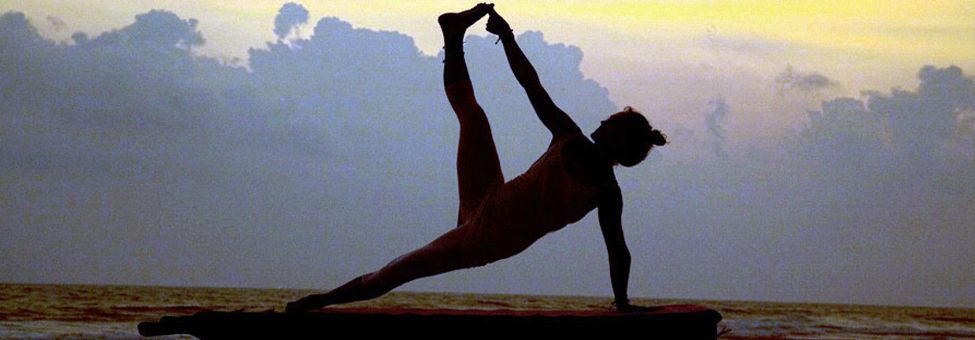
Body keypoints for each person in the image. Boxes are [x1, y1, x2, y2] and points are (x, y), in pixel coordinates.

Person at [286, 3, 666, 313]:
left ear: (620, 142)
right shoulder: (569, 136)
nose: (602, 118)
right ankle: (453, 36)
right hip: (489, 196)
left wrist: (622, 302)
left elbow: (618, 250)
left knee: (397, 272)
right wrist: (507, 37)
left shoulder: (605, 192)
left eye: (612, 121)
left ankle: (313, 305)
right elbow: (530, 84)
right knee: (473, 115)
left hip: (485, 238)